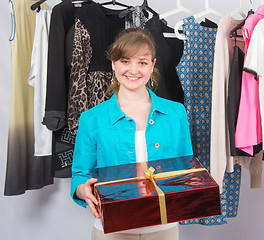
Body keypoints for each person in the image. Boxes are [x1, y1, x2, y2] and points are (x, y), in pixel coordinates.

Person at [70, 27, 193, 240]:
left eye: (142, 62)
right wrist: (84, 190)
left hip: (163, 228)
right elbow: (80, 175)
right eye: (125, 61)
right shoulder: (92, 119)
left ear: (153, 64)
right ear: (113, 63)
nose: (133, 70)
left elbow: (186, 168)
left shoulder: (176, 113)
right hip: (111, 229)